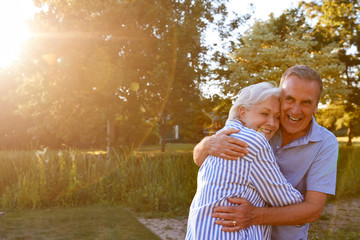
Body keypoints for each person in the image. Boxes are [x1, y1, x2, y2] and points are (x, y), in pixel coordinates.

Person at [193, 65, 339, 240]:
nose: (295, 111)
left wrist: (254, 215)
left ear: (316, 106)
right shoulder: (260, 126)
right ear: (279, 98)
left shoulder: (326, 143)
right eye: (290, 99)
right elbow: (200, 160)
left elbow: (313, 210)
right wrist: (207, 145)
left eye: (306, 102)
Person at [186, 82, 304, 240]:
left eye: (277, 117)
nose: (272, 123)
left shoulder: (222, 136)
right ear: (242, 112)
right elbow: (287, 201)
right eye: (264, 113)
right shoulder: (254, 141)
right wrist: (306, 207)